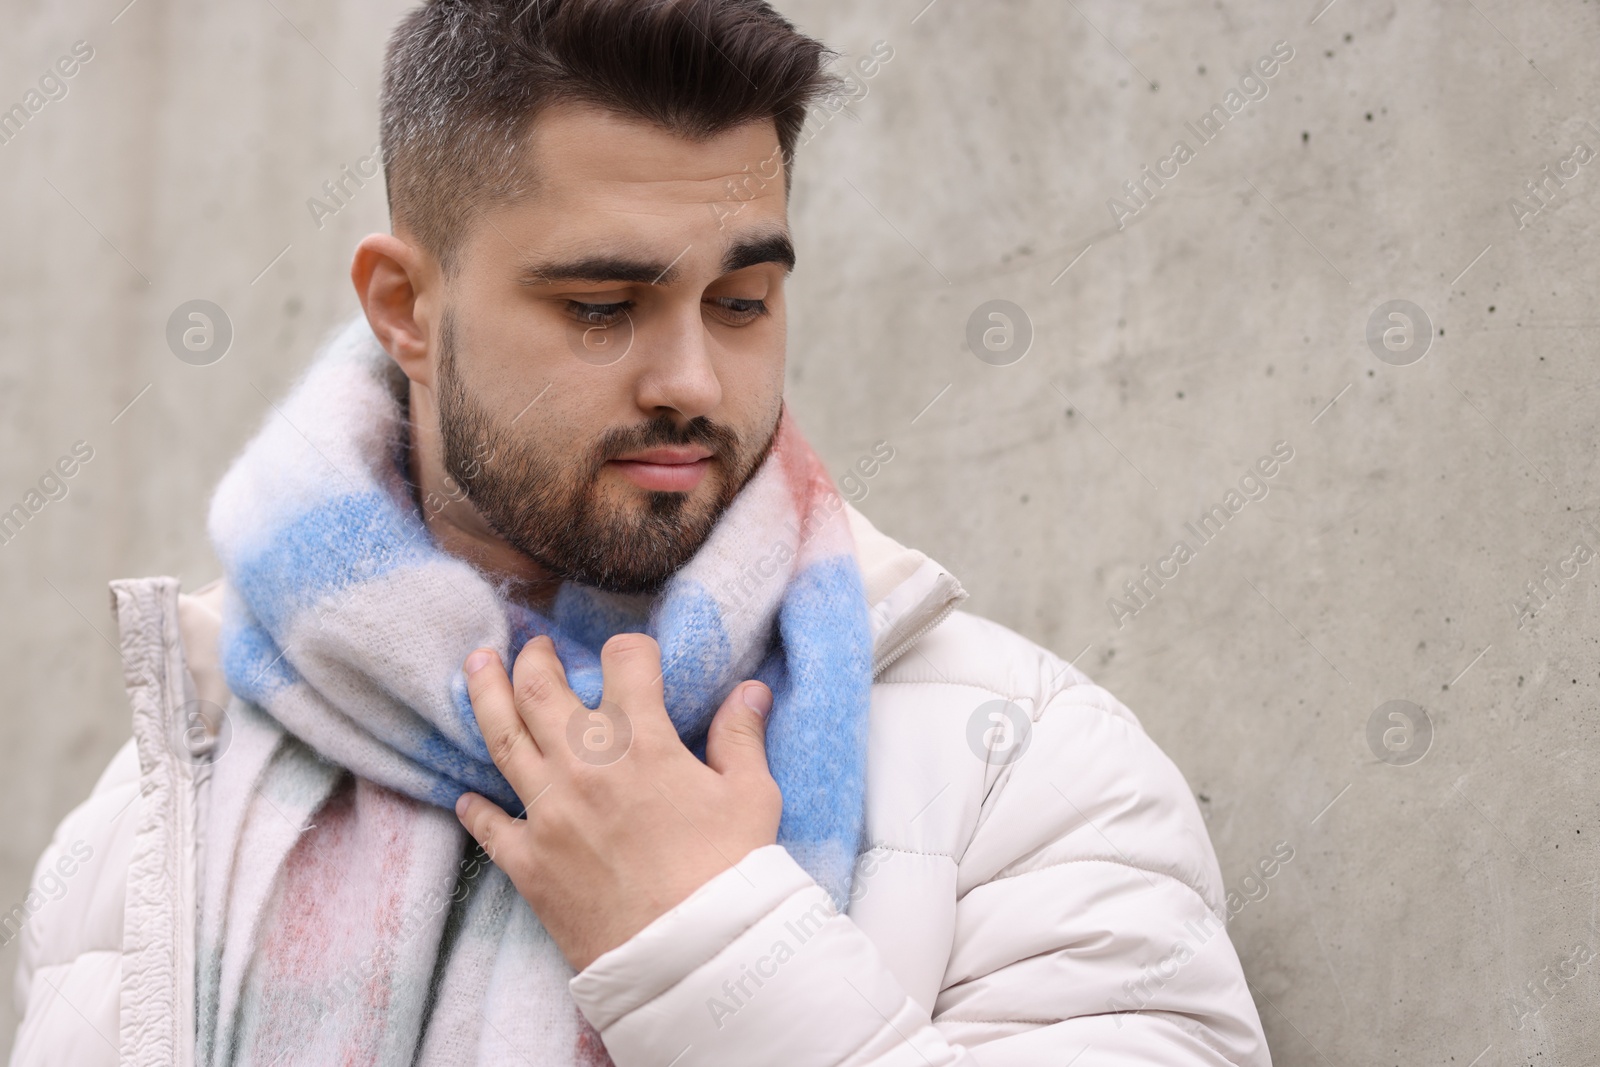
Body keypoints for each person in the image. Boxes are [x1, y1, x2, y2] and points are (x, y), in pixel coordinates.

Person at [9, 1, 1270, 1063]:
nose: (694, 381)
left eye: (740, 300)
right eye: (604, 306)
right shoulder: (162, 808)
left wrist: (712, 939)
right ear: (404, 307)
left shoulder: (1021, 772)